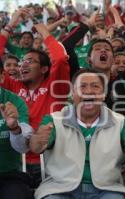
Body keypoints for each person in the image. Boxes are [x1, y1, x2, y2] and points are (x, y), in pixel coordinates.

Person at [30, 68, 125, 199]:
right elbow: (36, 147)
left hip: (106, 190)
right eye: (82, 86)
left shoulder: (120, 122)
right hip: (60, 188)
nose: (89, 91)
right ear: (72, 93)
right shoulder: (54, 120)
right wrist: (38, 140)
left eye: (95, 86)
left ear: (104, 94)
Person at [1, 23, 70, 187]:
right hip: (17, 165)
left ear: (45, 68)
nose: (23, 64)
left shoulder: (56, 86)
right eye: (22, 61)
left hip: (49, 163)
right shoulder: (12, 86)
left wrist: (44, 32)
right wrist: (10, 25)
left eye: (30, 61)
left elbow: (60, 58)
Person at [0, 63, 33, 199]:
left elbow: (23, 148)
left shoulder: (15, 102)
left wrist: (14, 128)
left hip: (9, 176)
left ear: (2, 76)